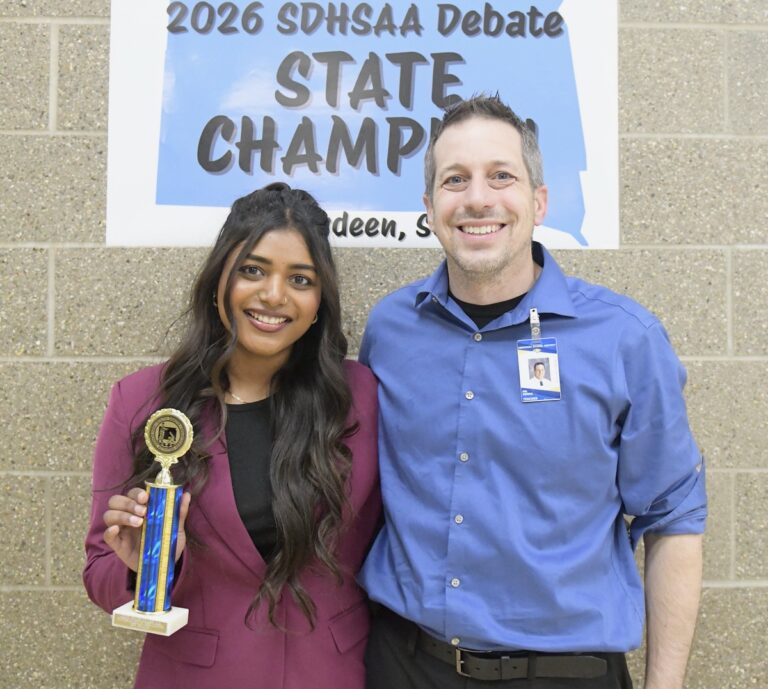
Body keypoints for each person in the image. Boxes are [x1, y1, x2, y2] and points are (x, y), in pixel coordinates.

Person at [359, 96, 706, 689]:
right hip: (405, 665)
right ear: (430, 207)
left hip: (564, 674)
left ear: (539, 201)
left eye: (501, 176)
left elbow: (673, 517)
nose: (477, 198)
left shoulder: (625, 340)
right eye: (455, 179)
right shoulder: (391, 330)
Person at [83, 183, 380, 689]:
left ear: (319, 301)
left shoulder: (362, 396)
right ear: (219, 276)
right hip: (194, 676)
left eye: (300, 279)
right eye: (253, 270)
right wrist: (142, 569)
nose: (274, 295)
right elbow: (99, 574)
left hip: (330, 672)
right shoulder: (142, 402)